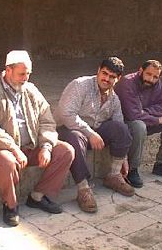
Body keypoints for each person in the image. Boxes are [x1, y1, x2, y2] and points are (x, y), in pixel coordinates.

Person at [0, 50, 75, 227]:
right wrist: (13, 148)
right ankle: (10, 206)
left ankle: (38, 196)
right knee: (8, 162)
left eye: (28, 73)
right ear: (8, 70)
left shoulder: (31, 90)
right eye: (21, 73)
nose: (25, 78)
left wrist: (46, 146)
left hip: (29, 145)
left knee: (65, 151)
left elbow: (46, 120)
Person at [54, 57, 134, 213]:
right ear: (98, 70)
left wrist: (123, 158)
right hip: (67, 129)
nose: (106, 79)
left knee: (121, 128)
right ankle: (83, 189)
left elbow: (119, 122)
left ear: (118, 79)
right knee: (75, 138)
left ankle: (114, 175)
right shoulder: (80, 85)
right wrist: (90, 134)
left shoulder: (114, 98)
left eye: (112, 77)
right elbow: (66, 114)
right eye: (104, 73)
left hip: (92, 133)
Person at [114, 59, 162, 189]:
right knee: (139, 126)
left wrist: (146, 112)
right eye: (148, 74)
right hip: (124, 123)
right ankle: (132, 169)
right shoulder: (127, 83)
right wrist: (155, 119)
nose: (151, 79)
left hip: (144, 118)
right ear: (140, 70)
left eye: (155, 77)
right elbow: (132, 114)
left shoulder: (156, 84)